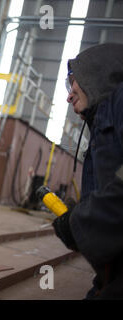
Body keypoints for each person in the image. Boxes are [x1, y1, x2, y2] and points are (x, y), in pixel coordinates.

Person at [52, 43, 123, 299]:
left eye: (73, 85)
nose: (69, 96)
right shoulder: (102, 121)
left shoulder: (119, 102)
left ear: (96, 73)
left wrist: (79, 222)